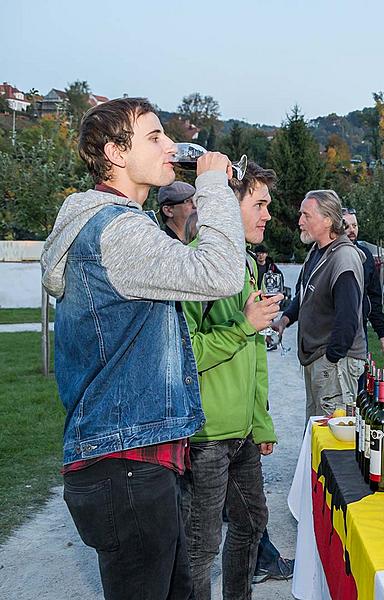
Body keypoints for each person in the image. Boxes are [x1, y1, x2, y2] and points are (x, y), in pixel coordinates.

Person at [40, 97, 246, 600]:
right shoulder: (118, 229)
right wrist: (213, 185)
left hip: (131, 461)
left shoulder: (115, 225)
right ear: (114, 152)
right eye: (153, 137)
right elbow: (220, 273)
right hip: (125, 464)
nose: (169, 146)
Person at [180, 162, 284, 599]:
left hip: (242, 434)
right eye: (258, 204)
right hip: (205, 437)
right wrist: (243, 325)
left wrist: (260, 421)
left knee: (252, 524)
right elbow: (185, 356)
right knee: (201, 549)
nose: (267, 215)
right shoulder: (195, 264)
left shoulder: (244, 264)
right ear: (226, 205)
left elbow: (256, 351)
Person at [274, 189, 366, 418]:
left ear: (327, 220)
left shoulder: (343, 258)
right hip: (320, 360)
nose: (299, 221)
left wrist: (331, 360)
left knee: (332, 440)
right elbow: (306, 295)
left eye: (306, 215)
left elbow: (348, 320)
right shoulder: (317, 251)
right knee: (316, 433)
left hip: (334, 363)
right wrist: (285, 319)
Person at [342, 207, 384, 356]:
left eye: (355, 226)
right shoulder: (328, 254)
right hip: (332, 332)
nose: (352, 230)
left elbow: (374, 296)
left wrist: (381, 332)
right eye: (347, 226)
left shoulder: (366, 256)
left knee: (361, 377)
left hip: (360, 331)